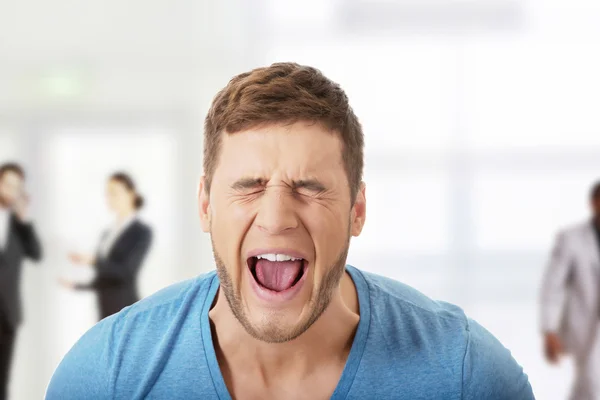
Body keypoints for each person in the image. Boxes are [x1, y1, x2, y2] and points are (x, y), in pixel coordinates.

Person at [46, 63, 534, 399]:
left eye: (309, 187)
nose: (277, 218)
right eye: (249, 187)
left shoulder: (467, 377)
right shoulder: (105, 377)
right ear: (204, 206)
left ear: (357, 210)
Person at [61, 172, 152, 320]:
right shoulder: (107, 233)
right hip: (104, 310)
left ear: (131, 194)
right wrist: (77, 285)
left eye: (114, 193)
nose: (109, 198)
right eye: (108, 194)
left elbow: (126, 272)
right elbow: (105, 277)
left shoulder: (141, 231)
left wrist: (94, 261)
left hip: (125, 309)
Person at [540, 181, 600, 399]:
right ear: (594, 203)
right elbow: (552, 286)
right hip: (585, 326)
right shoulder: (571, 239)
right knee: (591, 382)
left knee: (589, 384)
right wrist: (549, 330)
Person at [0, 163, 42, 400]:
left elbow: (36, 254)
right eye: (6, 184)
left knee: (2, 378)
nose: (10, 191)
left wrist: (24, 220)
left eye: (16, 187)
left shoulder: (19, 225)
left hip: (8, 313)